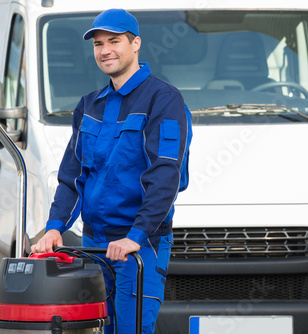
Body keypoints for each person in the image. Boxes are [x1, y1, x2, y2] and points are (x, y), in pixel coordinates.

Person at [31, 8, 192, 334]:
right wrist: (54, 227)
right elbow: (72, 176)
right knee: (96, 328)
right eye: (98, 44)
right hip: (94, 244)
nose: (105, 50)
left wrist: (136, 236)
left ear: (136, 44)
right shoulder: (89, 105)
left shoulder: (163, 100)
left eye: (114, 41)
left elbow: (165, 175)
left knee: (132, 329)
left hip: (139, 246)